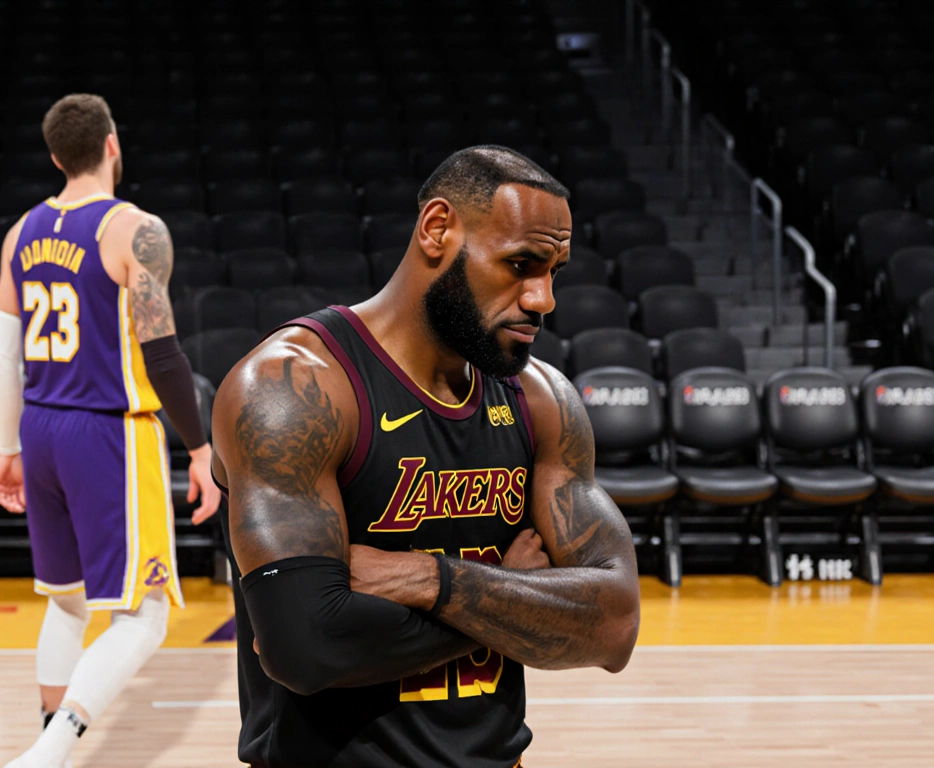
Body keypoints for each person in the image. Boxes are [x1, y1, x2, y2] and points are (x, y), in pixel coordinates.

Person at [212, 146, 641, 768]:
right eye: (521, 264)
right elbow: (307, 649)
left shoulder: (542, 399)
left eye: (554, 271)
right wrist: (514, 594)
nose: (543, 298)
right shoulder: (294, 389)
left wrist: (429, 580)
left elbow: (615, 626)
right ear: (438, 229)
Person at [0, 93, 222, 768]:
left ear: (56, 156)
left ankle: (47, 745)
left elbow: (2, 356)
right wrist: (199, 448)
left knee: (66, 605)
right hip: (107, 433)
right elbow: (163, 354)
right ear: (112, 145)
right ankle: (50, 752)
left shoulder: (20, 232)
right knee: (144, 615)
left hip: (39, 426)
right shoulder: (134, 230)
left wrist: (7, 448)